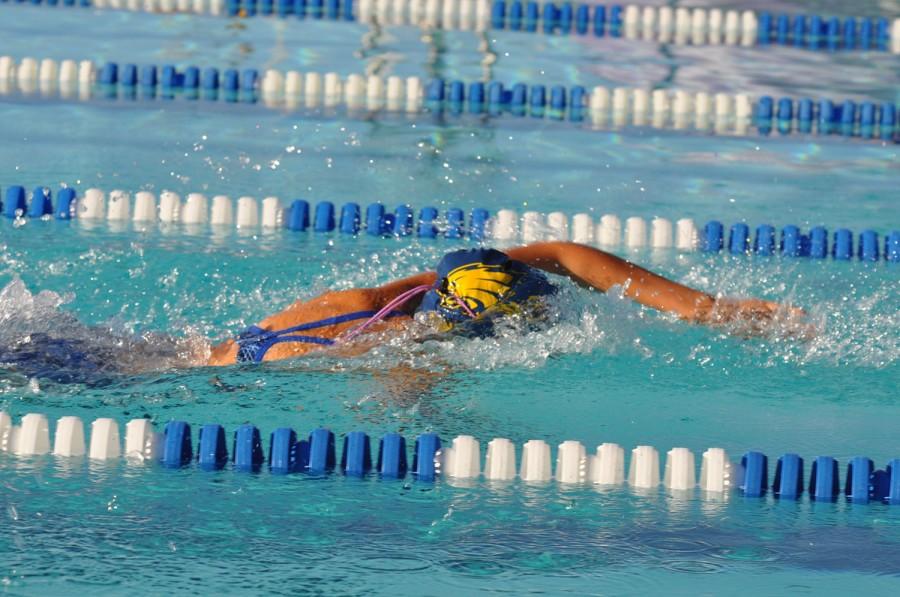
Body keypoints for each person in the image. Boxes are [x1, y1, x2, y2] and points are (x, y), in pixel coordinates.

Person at [207, 241, 804, 366]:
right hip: (227, 371)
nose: (547, 315)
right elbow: (396, 402)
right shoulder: (396, 335)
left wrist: (720, 312)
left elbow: (561, 255)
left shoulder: (437, 290)